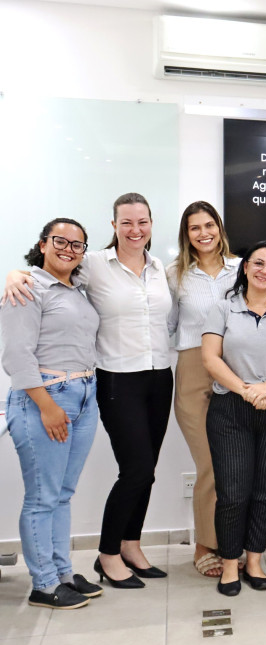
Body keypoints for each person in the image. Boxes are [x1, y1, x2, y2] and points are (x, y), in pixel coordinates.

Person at [4, 193, 174, 588]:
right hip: (117, 378)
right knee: (134, 470)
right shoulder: (94, 263)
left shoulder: (158, 267)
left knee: (146, 472)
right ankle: (108, 553)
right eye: (126, 222)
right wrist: (16, 273)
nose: (135, 230)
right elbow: (45, 276)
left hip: (159, 377)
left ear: (151, 224)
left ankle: (131, 545)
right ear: (113, 226)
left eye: (142, 222)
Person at [2, 219, 103, 609]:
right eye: (60, 241)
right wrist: (47, 406)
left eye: (78, 245)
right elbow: (16, 357)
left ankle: (62, 571)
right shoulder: (26, 288)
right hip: (44, 397)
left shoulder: (77, 289)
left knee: (62, 494)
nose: (69, 249)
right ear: (43, 244)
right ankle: (43, 584)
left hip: (83, 394)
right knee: (42, 497)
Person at [201, 241, 266, 596]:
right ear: (245, 267)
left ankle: (255, 559)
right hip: (230, 409)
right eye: (258, 263)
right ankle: (230, 563)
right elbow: (211, 359)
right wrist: (246, 390)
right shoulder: (222, 309)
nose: (264, 270)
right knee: (232, 492)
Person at [166, 201, 239, 578]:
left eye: (209, 225)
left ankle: (232, 544)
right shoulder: (174, 274)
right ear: (186, 234)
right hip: (194, 369)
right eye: (194, 228)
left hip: (235, 368)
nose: (203, 233)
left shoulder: (242, 268)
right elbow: (166, 325)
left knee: (236, 463)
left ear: (219, 228)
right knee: (209, 464)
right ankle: (204, 544)